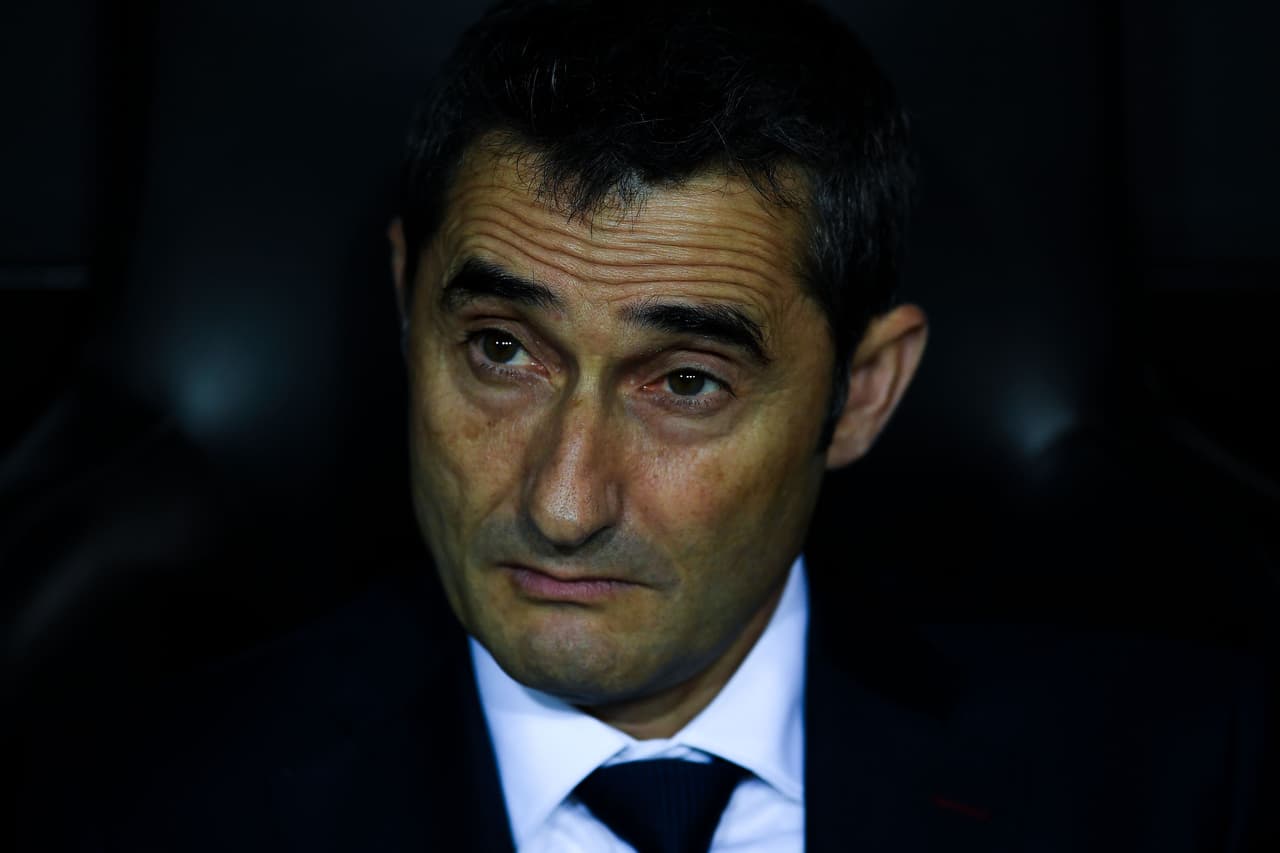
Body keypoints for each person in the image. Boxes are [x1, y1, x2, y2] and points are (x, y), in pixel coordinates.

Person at [17, 1, 1270, 851]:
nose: (563, 503)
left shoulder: (1184, 782)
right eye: (501, 352)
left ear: (863, 391)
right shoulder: (117, 807)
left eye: (685, 384)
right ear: (407, 309)